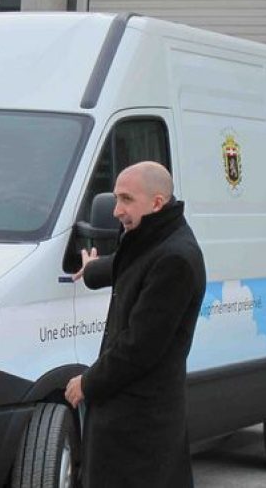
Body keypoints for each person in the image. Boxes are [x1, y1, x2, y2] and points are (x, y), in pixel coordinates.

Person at [64, 161, 206, 488]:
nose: (116, 210)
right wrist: (92, 270)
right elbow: (128, 263)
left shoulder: (175, 258)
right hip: (127, 420)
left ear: (156, 202)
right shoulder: (153, 238)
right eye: (116, 198)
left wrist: (88, 382)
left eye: (126, 199)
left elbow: (139, 347)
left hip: (142, 428)